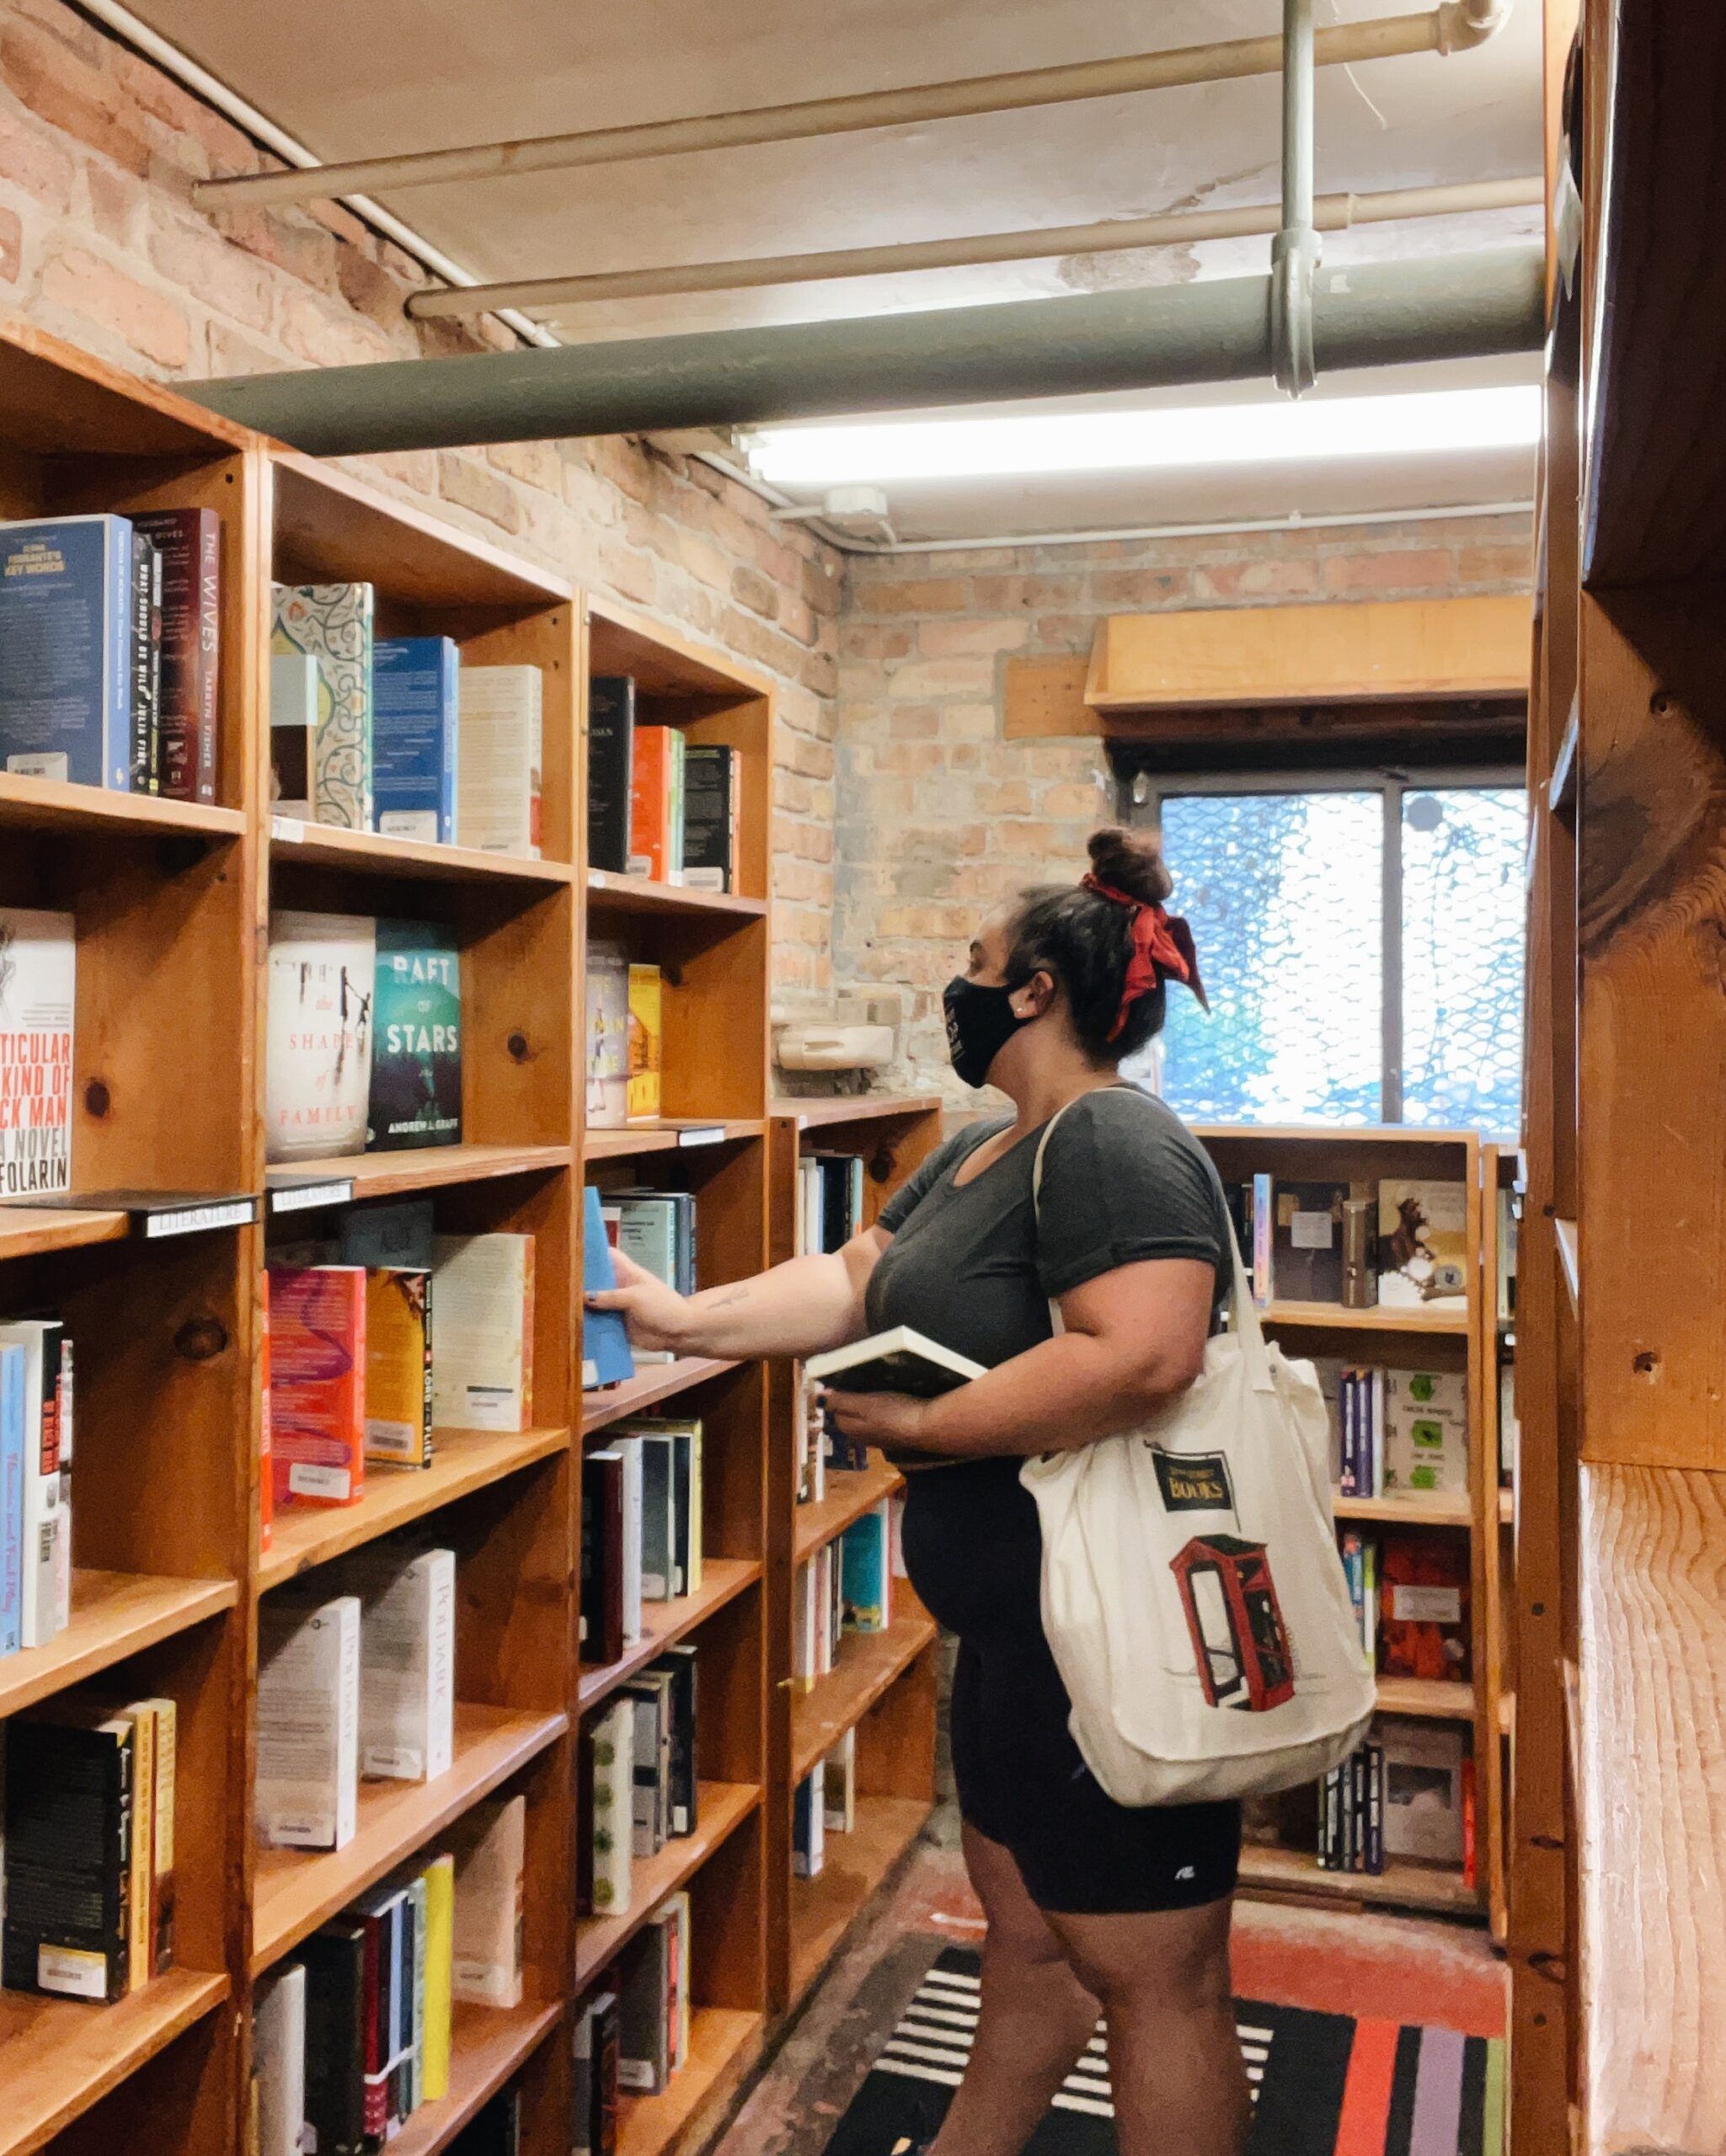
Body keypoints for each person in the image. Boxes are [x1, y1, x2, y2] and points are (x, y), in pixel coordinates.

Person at [586, 828, 1248, 2156]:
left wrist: (931, 1423)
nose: (957, 985)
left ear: (1037, 990)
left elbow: (1145, 1352)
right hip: (1014, 1639)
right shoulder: (980, 1148)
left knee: (1152, 1979)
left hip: (1109, 1640)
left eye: (975, 963)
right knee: (1029, 1944)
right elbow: (855, 1274)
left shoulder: (1116, 1142)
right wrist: (680, 1320)